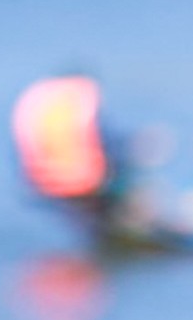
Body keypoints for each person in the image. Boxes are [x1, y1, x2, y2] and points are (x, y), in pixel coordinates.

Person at [13, 72, 141, 239]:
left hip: (48, 186)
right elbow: (106, 141)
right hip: (88, 183)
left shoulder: (40, 104)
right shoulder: (82, 102)